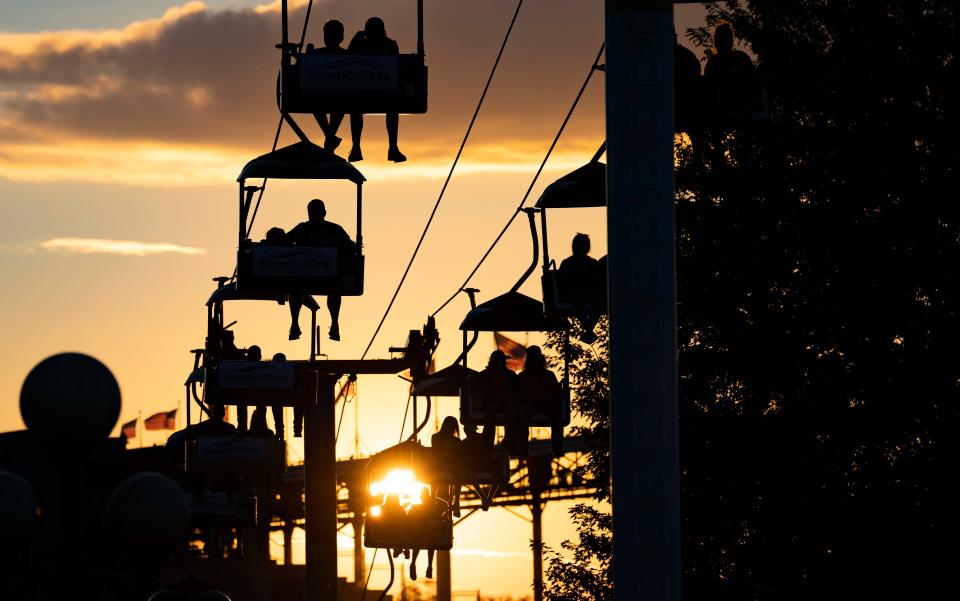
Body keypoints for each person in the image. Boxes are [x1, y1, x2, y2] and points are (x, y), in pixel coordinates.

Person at [285, 198, 352, 341]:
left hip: (321, 275)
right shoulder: (306, 228)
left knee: (297, 287)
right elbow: (284, 241)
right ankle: (297, 323)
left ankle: (331, 323)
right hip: (314, 274)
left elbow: (283, 241)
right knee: (296, 287)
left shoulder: (332, 229)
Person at [347, 17, 406, 163]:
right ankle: (391, 147)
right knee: (391, 107)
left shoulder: (364, 44)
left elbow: (347, 59)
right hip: (382, 92)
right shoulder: (390, 44)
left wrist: (355, 40)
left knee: (356, 108)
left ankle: (357, 147)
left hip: (370, 92)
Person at [704, 22, 759, 125]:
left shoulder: (741, 57)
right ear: (715, 41)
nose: (723, 40)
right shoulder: (713, 63)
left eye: (726, 36)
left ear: (731, 40)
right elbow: (709, 88)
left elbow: (754, 83)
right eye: (721, 37)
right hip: (721, 105)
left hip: (742, 103)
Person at [515, 346, 563, 455]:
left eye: (536, 357)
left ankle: (557, 448)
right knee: (522, 416)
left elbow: (556, 392)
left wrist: (552, 395)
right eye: (532, 358)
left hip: (546, 404)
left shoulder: (549, 375)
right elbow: (518, 393)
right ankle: (523, 449)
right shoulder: (522, 376)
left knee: (557, 417)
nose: (534, 360)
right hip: (528, 405)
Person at [310, 20, 347, 153]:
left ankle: (329, 137)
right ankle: (329, 138)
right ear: (341, 37)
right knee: (338, 105)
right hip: (335, 98)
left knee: (319, 103)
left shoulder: (316, 54)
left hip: (324, 97)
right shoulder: (347, 55)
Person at [559, 233, 601, 343]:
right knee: (578, 299)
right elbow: (561, 282)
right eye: (578, 245)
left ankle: (588, 329)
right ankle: (589, 329)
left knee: (598, 300)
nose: (580, 248)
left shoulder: (592, 263)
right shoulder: (567, 263)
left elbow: (598, 280)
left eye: (583, 245)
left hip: (589, 293)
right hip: (573, 294)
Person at [469, 350, 517, 430]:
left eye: (502, 360)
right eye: (499, 360)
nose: (502, 362)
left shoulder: (511, 375)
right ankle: (488, 440)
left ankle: (509, 440)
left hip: (506, 404)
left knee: (511, 409)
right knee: (492, 408)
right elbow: (478, 392)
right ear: (493, 361)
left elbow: (516, 391)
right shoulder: (483, 376)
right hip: (489, 404)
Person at [408, 487, 447, 580]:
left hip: (419, 536)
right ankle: (429, 565)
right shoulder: (436, 508)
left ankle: (413, 562)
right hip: (431, 536)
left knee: (417, 541)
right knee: (431, 543)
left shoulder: (416, 507)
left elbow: (410, 516)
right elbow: (445, 505)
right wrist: (434, 498)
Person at [431, 416, 462, 517]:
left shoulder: (435, 437)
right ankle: (456, 502)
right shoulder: (456, 441)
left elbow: (436, 453)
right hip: (450, 468)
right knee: (458, 473)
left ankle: (432, 498)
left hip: (439, 468)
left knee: (434, 473)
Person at [236, 344, 262, 434]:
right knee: (261, 405)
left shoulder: (240, 368)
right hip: (256, 395)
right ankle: (257, 428)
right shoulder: (265, 369)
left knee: (243, 405)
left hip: (246, 394)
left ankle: (242, 430)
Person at [271, 352, 287, 440]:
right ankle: (281, 432)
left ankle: (280, 432)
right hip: (280, 396)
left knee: (276, 411)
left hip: (276, 396)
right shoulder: (288, 371)